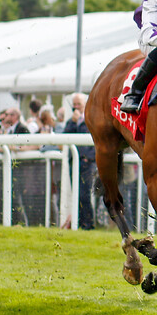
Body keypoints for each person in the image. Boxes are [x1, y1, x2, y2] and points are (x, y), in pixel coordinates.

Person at [64, 93, 96, 229]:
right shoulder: (70, 121)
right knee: (77, 193)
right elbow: (65, 137)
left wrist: (89, 157)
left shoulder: (91, 118)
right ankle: (80, 222)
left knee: (84, 194)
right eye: (74, 105)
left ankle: (88, 224)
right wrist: (73, 122)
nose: (76, 107)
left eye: (79, 104)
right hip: (74, 162)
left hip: (87, 163)